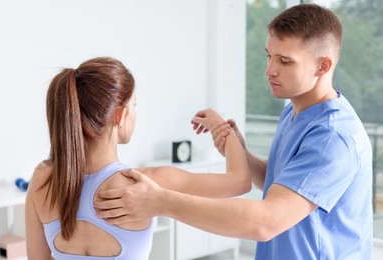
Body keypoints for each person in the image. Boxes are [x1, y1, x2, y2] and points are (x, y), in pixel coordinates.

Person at [94, 4, 373, 259]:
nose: (269, 70)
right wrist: (239, 150)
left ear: (323, 65)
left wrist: (159, 202)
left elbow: (266, 221)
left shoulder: (333, 137)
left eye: (285, 61)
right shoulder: (294, 112)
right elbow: (278, 182)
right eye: (269, 56)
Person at [25, 57, 251, 259]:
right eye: (134, 105)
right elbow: (239, 182)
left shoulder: (42, 179)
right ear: (119, 116)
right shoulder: (147, 184)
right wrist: (223, 130)